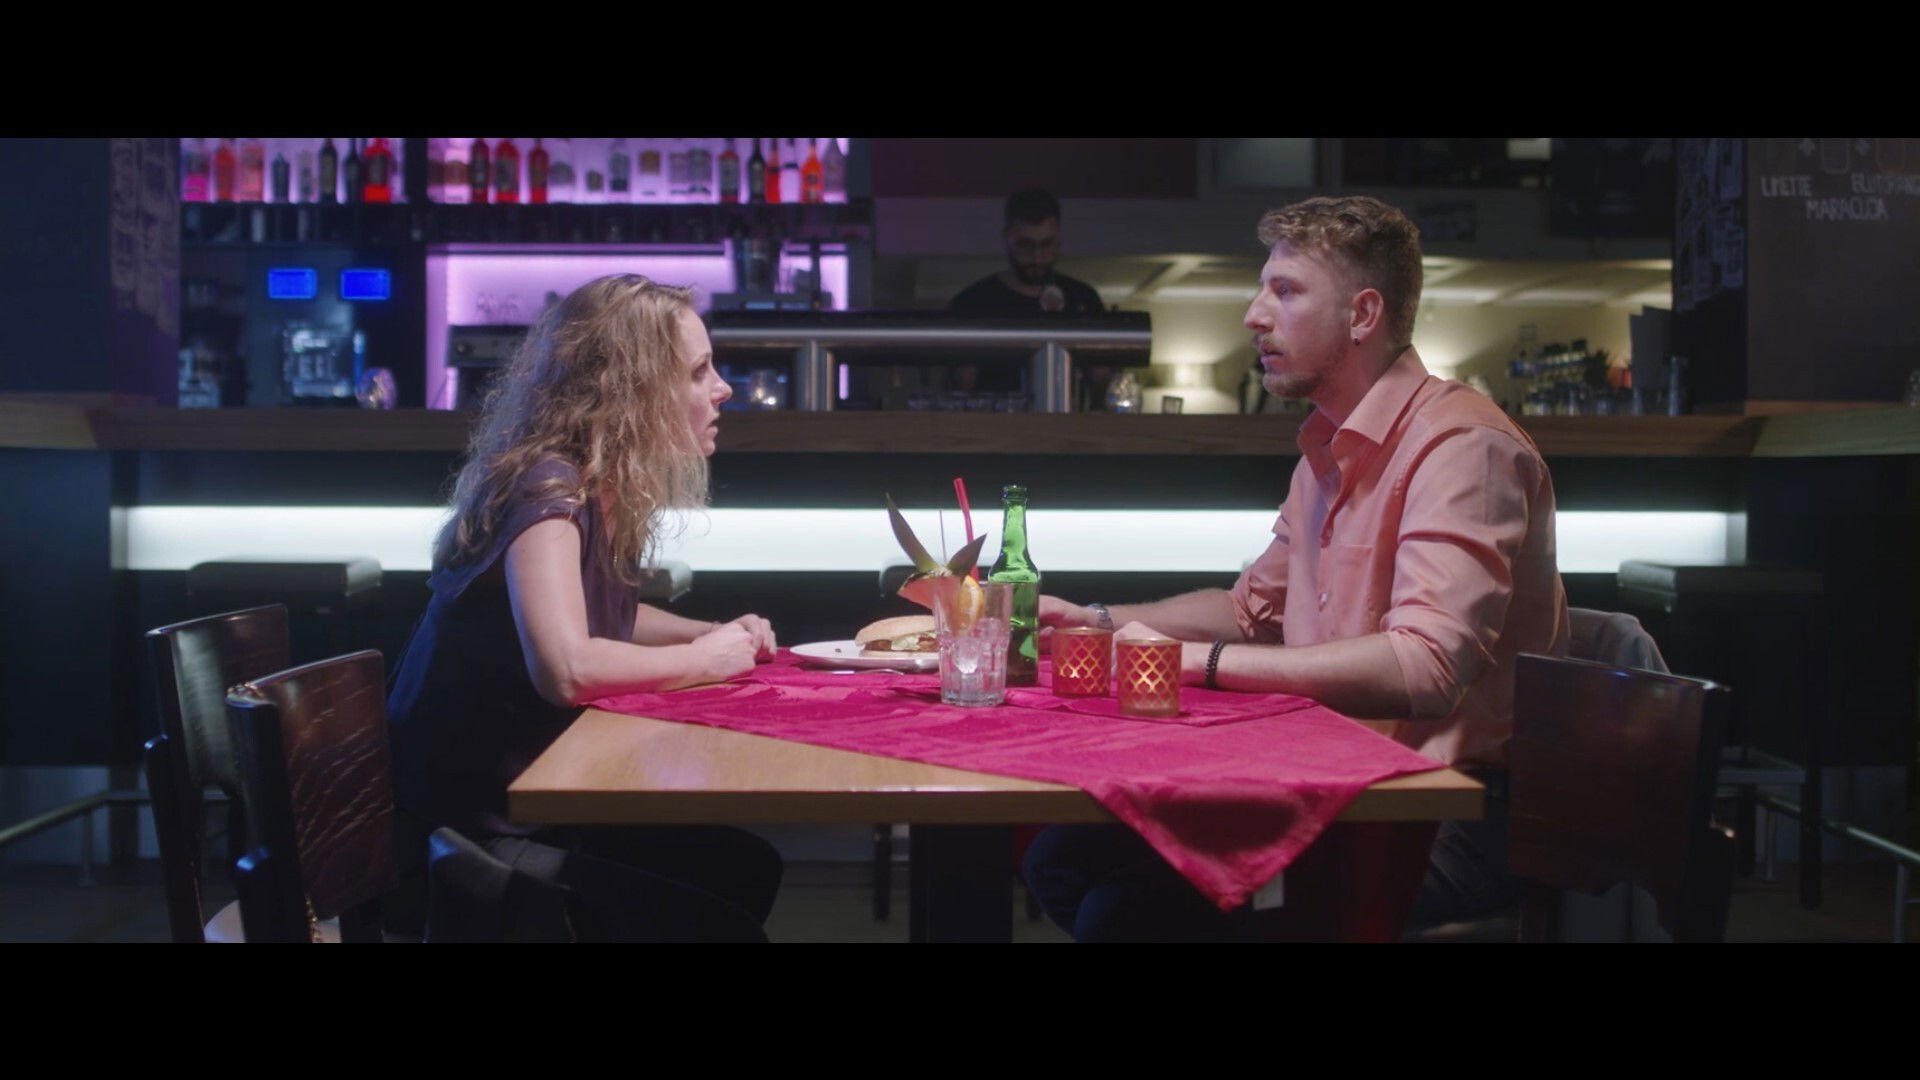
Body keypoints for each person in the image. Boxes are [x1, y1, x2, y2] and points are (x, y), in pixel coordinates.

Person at [1026, 196, 1571, 941]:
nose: (1253, 315)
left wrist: (1199, 665)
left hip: (1453, 806)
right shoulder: (1326, 446)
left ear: (1363, 314)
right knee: (1059, 858)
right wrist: (1097, 620)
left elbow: (1427, 667)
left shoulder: (1462, 447)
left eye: (1284, 291)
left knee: (1122, 914)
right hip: (1342, 777)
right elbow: (1250, 610)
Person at [386, 273, 784, 941]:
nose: (722, 389)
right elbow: (567, 668)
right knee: (721, 918)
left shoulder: (594, 484)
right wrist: (705, 660)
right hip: (456, 848)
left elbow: (600, 620)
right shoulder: (549, 488)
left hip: (518, 816)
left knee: (745, 867)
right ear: (634, 389)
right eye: (698, 372)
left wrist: (711, 632)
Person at [950, 188, 1106, 316]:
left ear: (1058, 240)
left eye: (1046, 244)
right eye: (1025, 245)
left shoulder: (1083, 298)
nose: (1037, 257)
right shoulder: (972, 303)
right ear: (1006, 238)